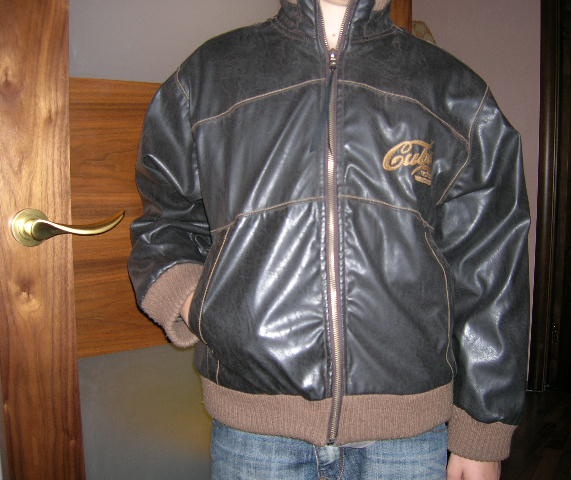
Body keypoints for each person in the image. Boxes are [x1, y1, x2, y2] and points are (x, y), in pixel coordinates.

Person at [128, 0, 531, 479]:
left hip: (407, 438)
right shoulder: (208, 76)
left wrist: (482, 432)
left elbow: (489, 266)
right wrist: (195, 302)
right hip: (255, 432)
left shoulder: (454, 91)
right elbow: (165, 219)